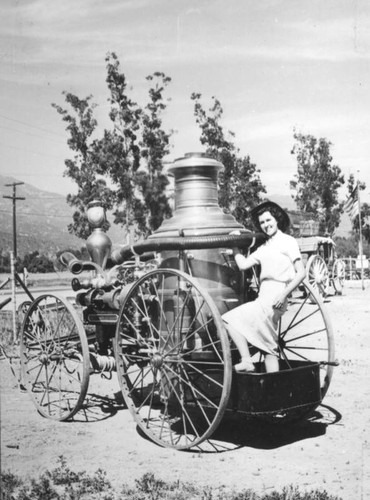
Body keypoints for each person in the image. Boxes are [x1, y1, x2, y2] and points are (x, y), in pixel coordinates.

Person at [223, 201, 306, 373]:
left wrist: (283, 295)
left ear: (277, 219)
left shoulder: (288, 241)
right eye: (262, 223)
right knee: (268, 348)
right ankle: (273, 392)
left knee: (229, 320)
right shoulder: (265, 247)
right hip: (264, 296)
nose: (266, 225)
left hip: (276, 296)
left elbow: (301, 273)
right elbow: (244, 265)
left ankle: (246, 360)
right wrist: (234, 245)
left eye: (269, 220)